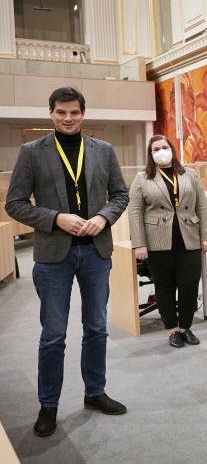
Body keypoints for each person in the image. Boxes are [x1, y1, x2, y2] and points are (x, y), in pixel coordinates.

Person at [5, 87, 130, 437]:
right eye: (61, 112)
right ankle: (48, 406)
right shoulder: (31, 152)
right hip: (52, 256)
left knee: (97, 328)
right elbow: (14, 203)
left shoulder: (102, 151)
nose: (68, 118)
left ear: (83, 113)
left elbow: (120, 194)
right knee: (54, 335)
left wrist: (104, 217)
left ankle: (95, 392)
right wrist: (55, 218)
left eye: (74, 112)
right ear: (51, 113)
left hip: (95, 252)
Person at [128, 135, 207, 348]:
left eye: (164, 147)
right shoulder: (142, 178)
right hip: (157, 239)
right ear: (151, 154)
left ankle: (185, 327)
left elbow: (202, 207)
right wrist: (139, 243)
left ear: (172, 149)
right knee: (164, 287)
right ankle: (172, 330)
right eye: (156, 149)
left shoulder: (189, 175)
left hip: (189, 237)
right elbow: (135, 212)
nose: (161, 151)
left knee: (189, 285)